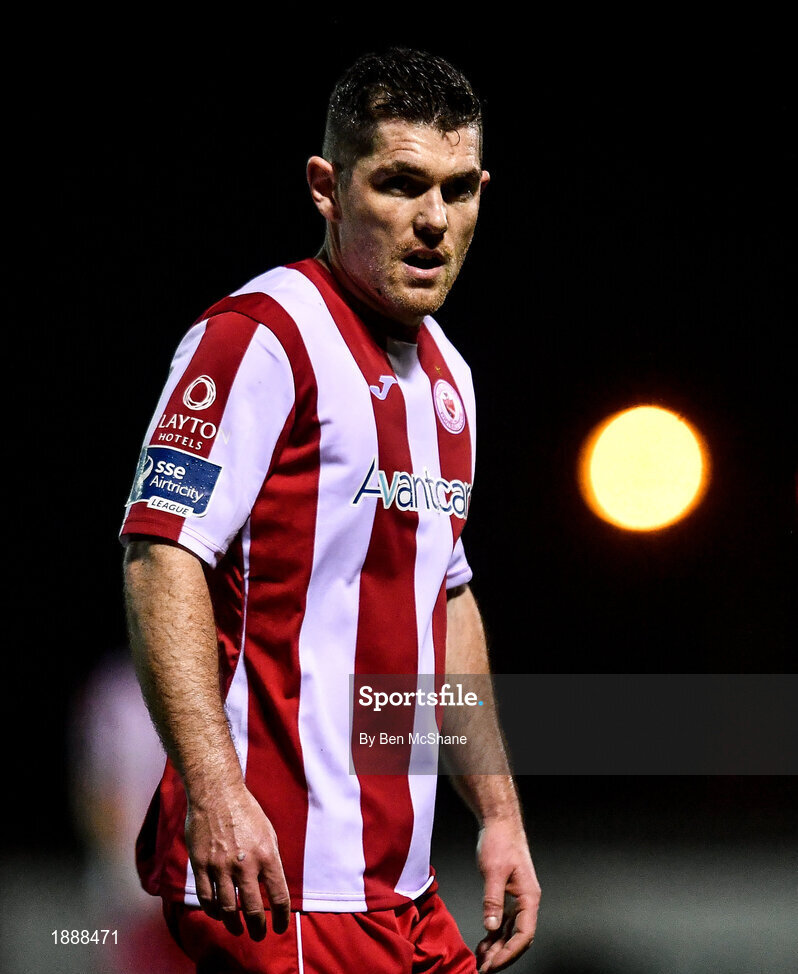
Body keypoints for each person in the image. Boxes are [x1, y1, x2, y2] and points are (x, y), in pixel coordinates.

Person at [121, 47, 541, 974]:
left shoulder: (451, 377)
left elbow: (446, 597)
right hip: (280, 884)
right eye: (401, 184)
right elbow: (161, 555)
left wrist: (500, 813)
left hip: (400, 890)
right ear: (327, 187)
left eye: (459, 190)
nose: (434, 220)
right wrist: (215, 792)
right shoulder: (259, 339)